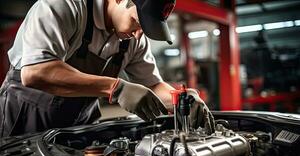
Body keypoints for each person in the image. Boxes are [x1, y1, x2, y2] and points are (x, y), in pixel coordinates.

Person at [0, 0, 214, 137]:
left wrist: (181, 98)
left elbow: (153, 85)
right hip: (23, 117)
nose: (140, 34)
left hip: (75, 125)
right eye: (137, 22)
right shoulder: (63, 7)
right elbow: (36, 72)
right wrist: (116, 88)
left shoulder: (133, 40)